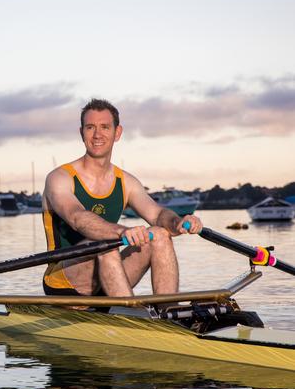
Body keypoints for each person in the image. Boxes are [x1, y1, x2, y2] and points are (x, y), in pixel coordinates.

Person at [42, 98, 202, 297]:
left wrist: (178, 222)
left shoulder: (126, 182)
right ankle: (126, 317)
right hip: (65, 283)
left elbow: (158, 214)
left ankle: (168, 313)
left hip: (109, 276)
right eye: (90, 127)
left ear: (117, 133)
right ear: (81, 132)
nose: (97, 134)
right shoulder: (59, 178)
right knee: (107, 244)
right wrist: (122, 231)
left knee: (160, 234)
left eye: (105, 127)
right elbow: (77, 217)